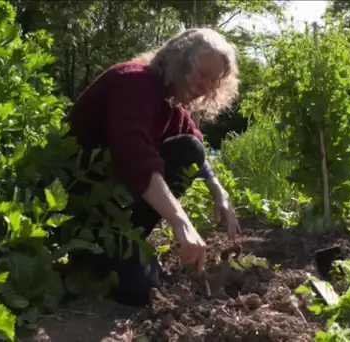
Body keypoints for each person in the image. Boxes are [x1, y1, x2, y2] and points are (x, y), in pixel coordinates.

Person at [62, 28, 242, 306]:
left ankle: (121, 248)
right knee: (138, 290)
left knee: (189, 149)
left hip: (112, 210)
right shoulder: (135, 83)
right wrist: (181, 223)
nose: (206, 86)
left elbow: (196, 148)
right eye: (202, 73)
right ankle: (90, 257)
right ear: (179, 60)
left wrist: (220, 192)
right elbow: (134, 157)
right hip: (79, 207)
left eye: (214, 81)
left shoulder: (172, 106)